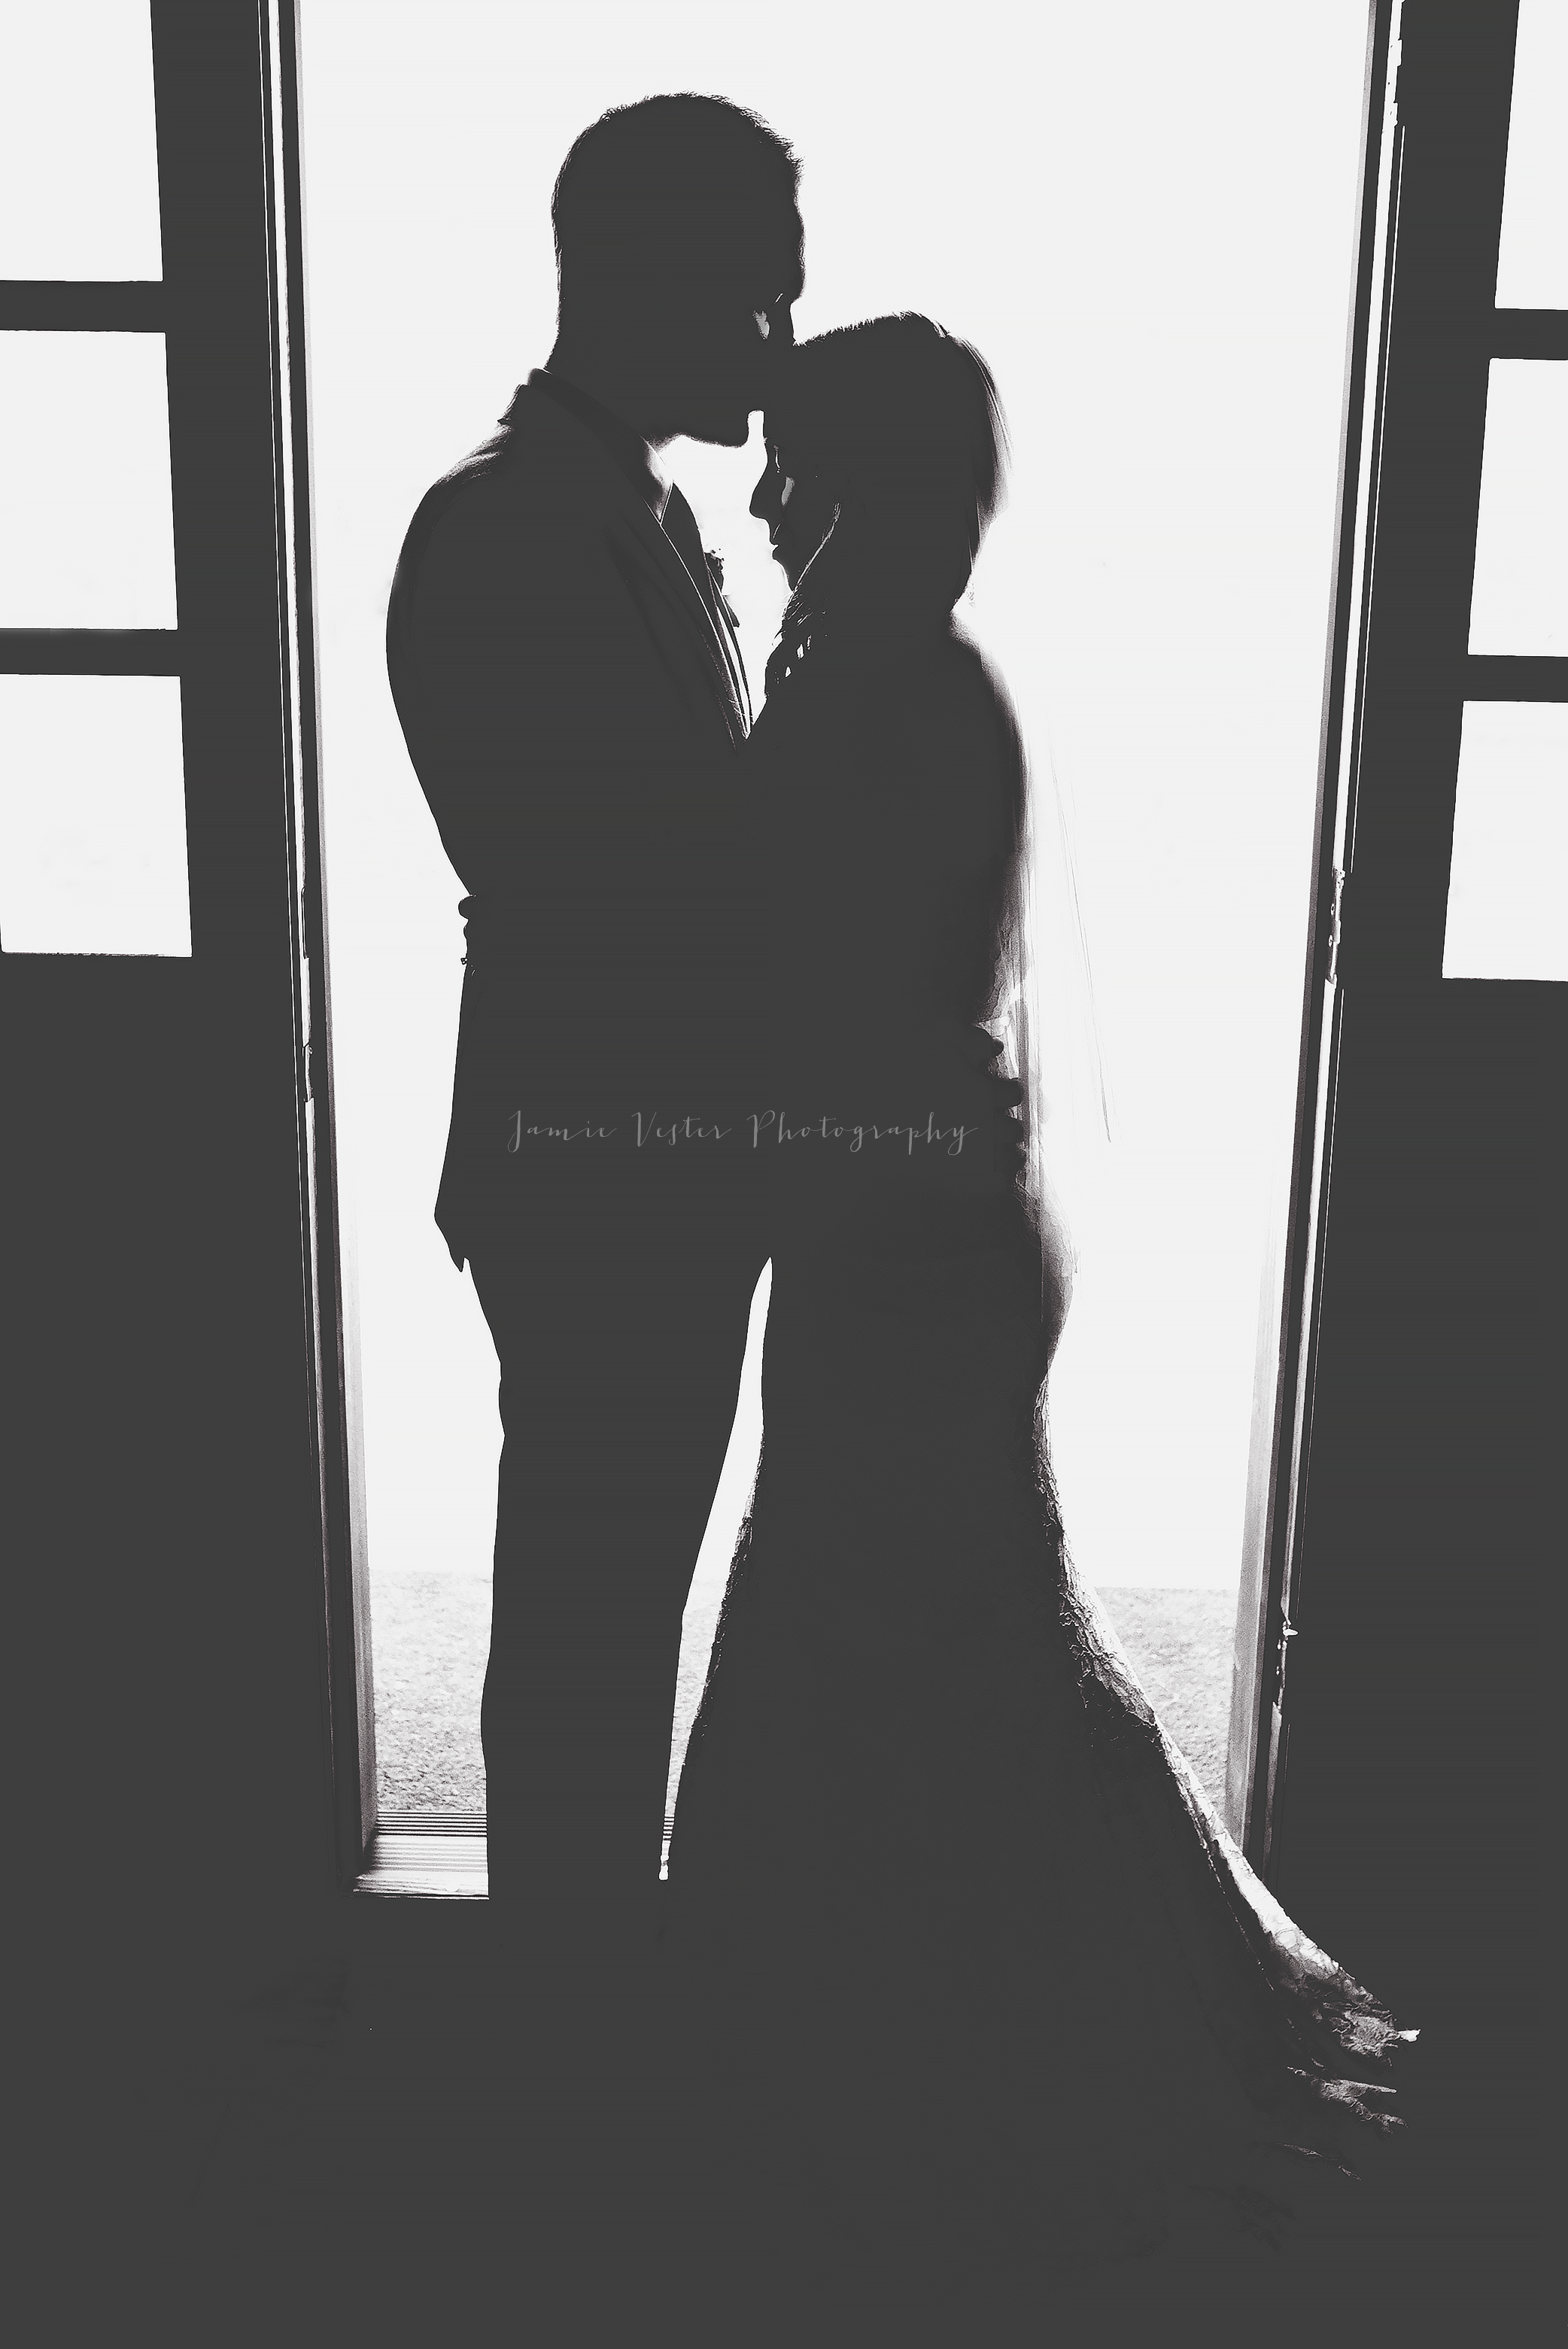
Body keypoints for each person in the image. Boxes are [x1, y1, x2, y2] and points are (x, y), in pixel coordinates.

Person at [661, 316, 1418, 2337]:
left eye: (793, 466)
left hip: (893, 1243)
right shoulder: (919, 675)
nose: (763, 499)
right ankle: (913, 2061)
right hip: (921, 1228)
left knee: (894, 1644)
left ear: (865, 480)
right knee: (938, 1646)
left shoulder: (879, 692)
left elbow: (794, 970)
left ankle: (926, 2094)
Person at [385, 100, 1021, 1975]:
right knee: (587, 1618)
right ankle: (566, 2013)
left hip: (681, 1156)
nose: (779, 343)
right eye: (762, 300)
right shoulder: (505, 525)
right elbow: (605, 883)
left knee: (626, 1593)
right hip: (594, 1160)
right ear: (650, 281)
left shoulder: (648, 515)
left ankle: (599, 1978)